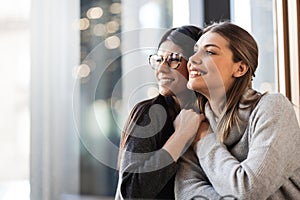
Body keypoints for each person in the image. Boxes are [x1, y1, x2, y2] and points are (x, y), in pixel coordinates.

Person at [175, 21, 300, 200]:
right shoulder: (195, 119)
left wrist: (203, 139)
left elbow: (248, 190)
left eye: (209, 52)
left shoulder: (273, 108)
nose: (192, 60)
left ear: (240, 68)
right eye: (196, 51)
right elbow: (187, 192)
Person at [115, 25, 203, 199]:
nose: (161, 68)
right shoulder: (149, 113)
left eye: (173, 59)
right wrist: (181, 136)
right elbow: (132, 192)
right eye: (159, 59)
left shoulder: (213, 114)